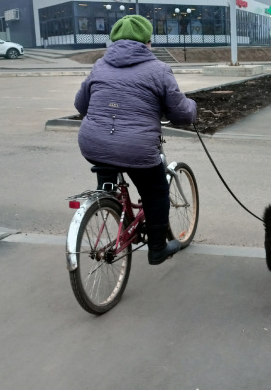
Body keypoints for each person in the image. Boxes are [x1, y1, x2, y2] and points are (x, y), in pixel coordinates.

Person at [74, 15, 197, 265]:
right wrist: (194, 108)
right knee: (156, 191)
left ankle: (108, 200)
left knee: (108, 161)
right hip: (136, 147)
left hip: (92, 143)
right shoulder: (158, 69)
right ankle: (157, 248)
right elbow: (181, 113)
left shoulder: (100, 65)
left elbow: (80, 104)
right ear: (147, 42)